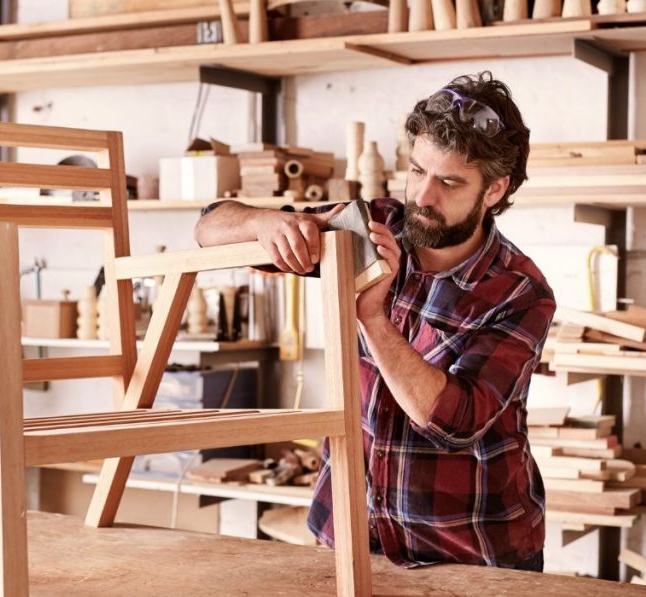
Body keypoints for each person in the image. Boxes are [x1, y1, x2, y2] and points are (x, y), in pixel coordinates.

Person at [193, 72, 555, 572]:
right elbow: (209, 226)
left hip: (468, 554)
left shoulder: (519, 291)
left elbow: (454, 422)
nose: (423, 196)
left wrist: (372, 318)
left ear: (495, 189)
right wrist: (265, 223)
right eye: (417, 170)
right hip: (351, 539)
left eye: (449, 182)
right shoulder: (369, 227)